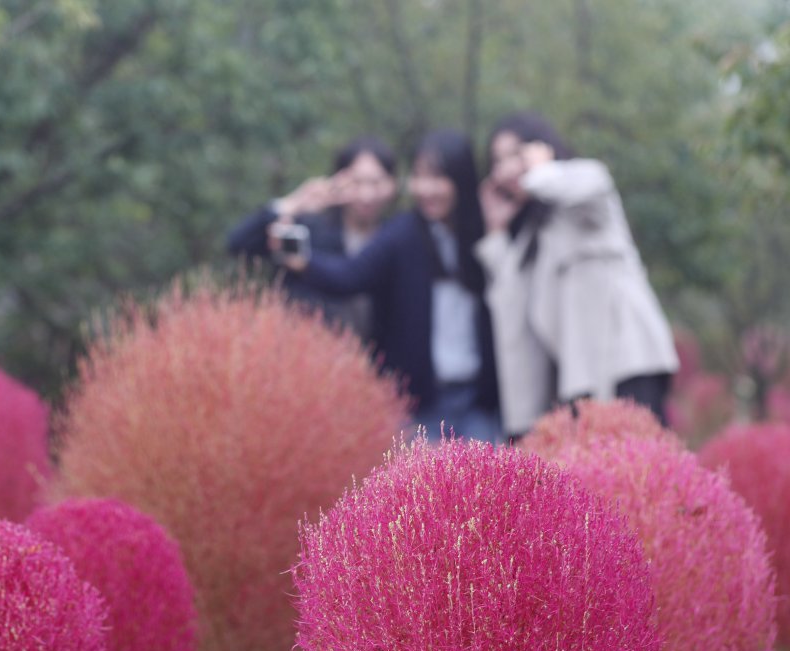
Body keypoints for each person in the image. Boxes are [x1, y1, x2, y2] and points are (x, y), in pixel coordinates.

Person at [278, 129, 500, 442]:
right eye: (420, 176)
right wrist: (302, 261)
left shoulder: (480, 234)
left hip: (478, 401)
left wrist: (500, 229)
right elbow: (350, 276)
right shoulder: (403, 234)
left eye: (438, 178)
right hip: (422, 402)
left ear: (460, 180)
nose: (426, 189)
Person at [477, 112, 679, 439]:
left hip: (629, 363)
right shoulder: (533, 234)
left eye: (515, 154)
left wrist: (539, 171)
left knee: (644, 472)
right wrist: (497, 232)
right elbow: (512, 317)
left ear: (541, 149)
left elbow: (588, 183)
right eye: (497, 161)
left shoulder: (585, 195)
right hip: (582, 378)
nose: (506, 169)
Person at [226, 137, 398, 336]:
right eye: (356, 182)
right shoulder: (312, 229)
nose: (367, 194)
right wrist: (294, 204)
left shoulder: (396, 236)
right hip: (313, 348)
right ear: (338, 179)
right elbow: (239, 243)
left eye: (376, 182)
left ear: (392, 184)